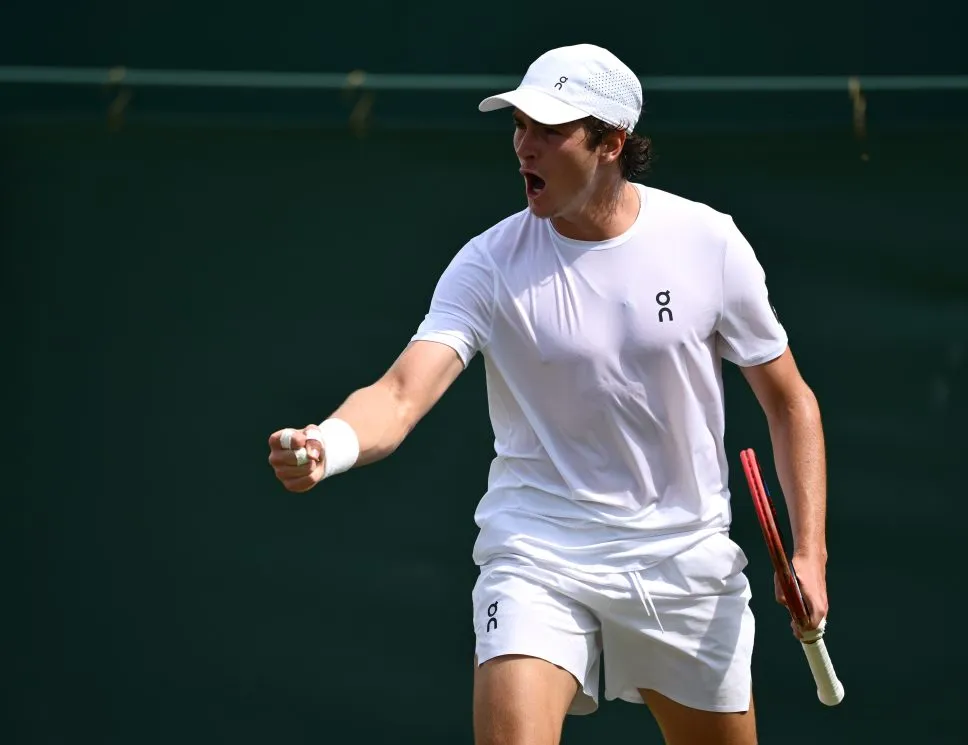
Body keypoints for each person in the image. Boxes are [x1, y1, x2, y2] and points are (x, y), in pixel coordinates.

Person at [267, 43, 830, 745]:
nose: (524, 146)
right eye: (519, 125)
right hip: (539, 553)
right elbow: (402, 391)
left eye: (549, 129)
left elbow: (790, 402)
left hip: (683, 559)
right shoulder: (488, 263)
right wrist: (331, 442)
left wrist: (810, 552)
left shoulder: (708, 243)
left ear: (611, 144)